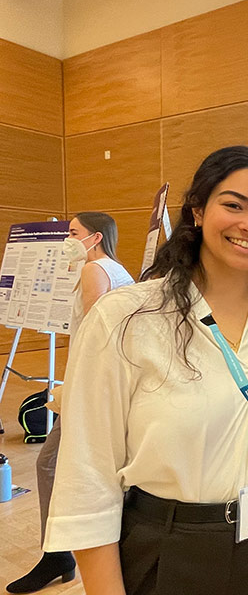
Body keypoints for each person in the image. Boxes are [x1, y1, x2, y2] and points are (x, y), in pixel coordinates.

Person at [43, 146, 248, 595]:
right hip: (173, 550)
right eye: (233, 205)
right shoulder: (128, 318)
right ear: (197, 210)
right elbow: (86, 475)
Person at [7, 211, 134, 594]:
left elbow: (95, 339)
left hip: (90, 385)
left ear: (94, 238)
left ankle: (59, 554)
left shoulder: (94, 272)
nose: (67, 237)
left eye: (73, 232)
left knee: (49, 463)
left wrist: (74, 388)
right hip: (108, 384)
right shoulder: (118, 269)